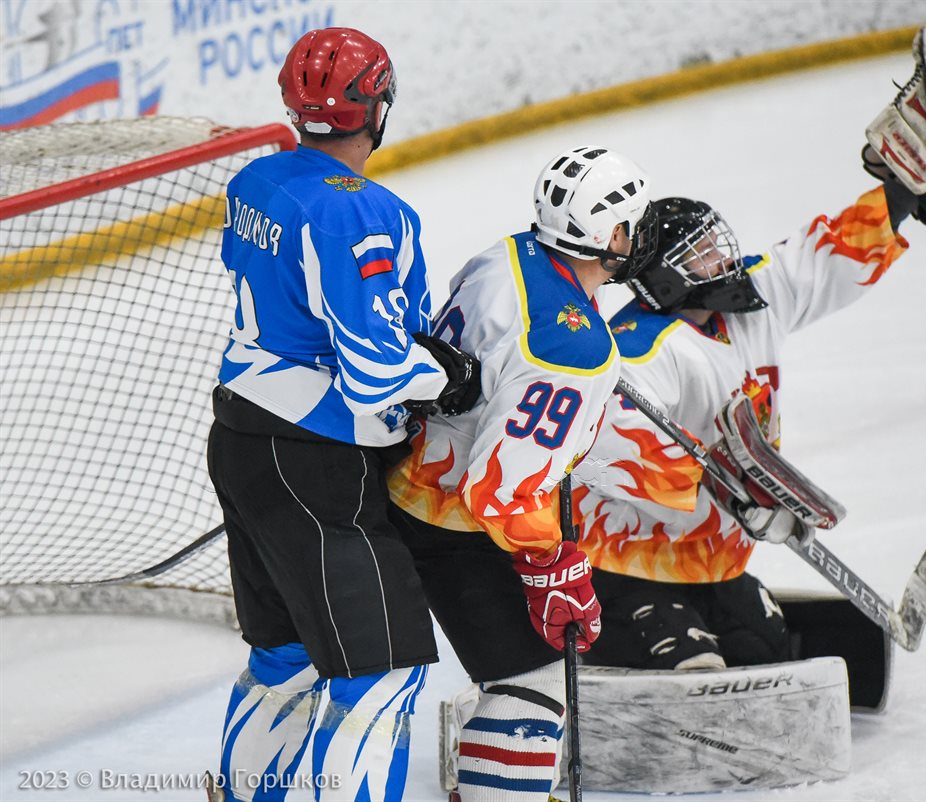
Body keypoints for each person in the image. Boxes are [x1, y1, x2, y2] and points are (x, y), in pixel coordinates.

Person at [571, 27, 926, 673]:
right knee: (689, 664)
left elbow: (828, 254)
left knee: (759, 653)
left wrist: (904, 193)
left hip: (720, 555)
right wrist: (724, 486)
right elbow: (607, 463)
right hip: (627, 561)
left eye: (719, 242)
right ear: (668, 277)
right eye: (703, 253)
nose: (724, 258)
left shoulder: (752, 298)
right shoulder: (638, 352)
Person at [206, 27, 481, 802]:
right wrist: (445, 375)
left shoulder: (254, 181)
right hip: (318, 464)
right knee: (379, 670)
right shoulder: (366, 215)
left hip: (241, 438)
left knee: (284, 655)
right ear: (379, 105)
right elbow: (373, 376)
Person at [386, 145, 657, 801]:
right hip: (452, 524)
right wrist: (553, 567)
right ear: (603, 235)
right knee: (534, 683)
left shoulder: (505, 254)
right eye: (630, 223)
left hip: (401, 477)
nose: (638, 235)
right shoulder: (573, 349)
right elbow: (499, 491)